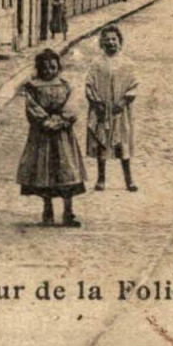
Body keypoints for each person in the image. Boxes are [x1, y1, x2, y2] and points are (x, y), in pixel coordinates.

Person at [17, 49, 86, 226]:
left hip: (63, 136)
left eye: (52, 67)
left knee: (67, 171)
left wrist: (62, 120)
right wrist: (45, 121)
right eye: (45, 67)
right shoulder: (33, 86)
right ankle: (47, 210)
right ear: (39, 68)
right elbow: (31, 107)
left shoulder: (65, 85)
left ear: (58, 67)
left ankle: (68, 212)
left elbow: (72, 105)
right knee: (44, 172)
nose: (49, 71)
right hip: (42, 136)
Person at [85, 25, 138, 192]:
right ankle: (101, 179)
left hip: (120, 111)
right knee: (102, 142)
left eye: (114, 39)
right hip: (101, 109)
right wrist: (97, 103)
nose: (111, 42)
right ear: (101, 43)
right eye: (107, 40)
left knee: (122, 143)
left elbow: (134, 85)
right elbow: (89, 85)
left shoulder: (127, 64)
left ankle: (129, 179)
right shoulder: (97, 64)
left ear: (119, 41)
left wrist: (123, 101)